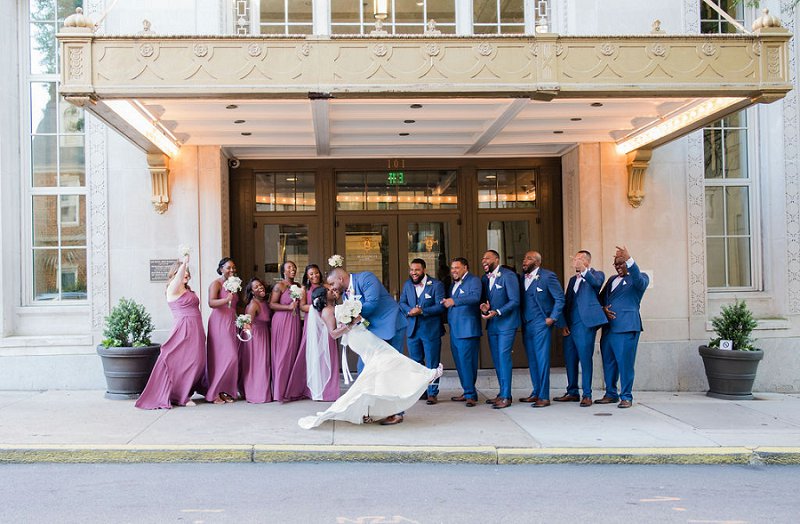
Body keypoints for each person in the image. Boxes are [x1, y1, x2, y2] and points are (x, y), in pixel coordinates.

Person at [298, 286, 443, 429]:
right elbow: (334, 333)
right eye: (328, 291)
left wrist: (359, 320)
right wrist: (352, 322)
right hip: (358, 340)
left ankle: (369, 410)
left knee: (381, 366)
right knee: (390, 358)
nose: (332, 291)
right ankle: (426, 375)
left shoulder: (336, 306)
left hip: (364, 335)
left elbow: (357, 323)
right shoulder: (327, 311)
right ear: (323, 297)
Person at [327, 266, 408, 424]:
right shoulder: (345, 294)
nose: (331, 288)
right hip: (373, 332)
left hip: (391, 325)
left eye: (332, 283)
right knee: (364, 368)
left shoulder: (366, 278)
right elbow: (355, 314)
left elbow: (373, 303)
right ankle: (368, 409)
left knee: (391, 369)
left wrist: (350, 319)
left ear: (340, 279)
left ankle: (397, 413)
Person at [135, 254, 206, 409]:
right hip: (184, 328)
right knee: (183, 361)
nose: (186, 274)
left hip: (196, 328)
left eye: (188, 272)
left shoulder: (187, 289)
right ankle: (181, 396)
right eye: (183, 272)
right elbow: (178, 278)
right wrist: (185, 262)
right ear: (176, 273)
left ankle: (185, 392)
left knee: (197, 361)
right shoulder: (172, 289)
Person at [597, 246, 649, 408]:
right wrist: (603, 309)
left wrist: (629, 259)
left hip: (627, 327)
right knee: (608, 362)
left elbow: (640, 281)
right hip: (609, 328)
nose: (618, 267)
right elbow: (600, 298)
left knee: (625, 363)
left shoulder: (639, 278)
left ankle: (626, 396)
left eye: (621, 263)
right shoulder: (612, 279)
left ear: (627, 263)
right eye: (615, 264)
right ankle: (611, 393)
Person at [554, 250, 606, 407]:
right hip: (570, 325)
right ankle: (572, 391)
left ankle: (587, 394)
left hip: (585, 325)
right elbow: (567, 302)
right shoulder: (571, 280)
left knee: (585, 359)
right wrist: (563, 324)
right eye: (574, 259)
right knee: (570, 360)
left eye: (578, 259)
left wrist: (584, 270)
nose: (575, 261)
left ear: (586, 261)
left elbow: (597, 285)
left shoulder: (597, 274)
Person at [519, 251, 564, 408]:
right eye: (525, 258)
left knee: (542, 360)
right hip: (526, 323)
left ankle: (544, 396)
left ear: (537, 262)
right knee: (532, 360)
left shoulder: (548, 276)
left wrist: (552, 318)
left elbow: (559, 298)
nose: (525, 261)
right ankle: (536, 392)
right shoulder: (521, 278)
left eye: (529, 258)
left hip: (541, 323)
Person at [287, 264, 340, 401]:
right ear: (307, 276)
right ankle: (309, 389)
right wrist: (317, 305)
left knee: (327, 352)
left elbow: (335, 298)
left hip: (326, 322)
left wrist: (332, 296)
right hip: (311, 325)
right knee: (311, 354)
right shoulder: (305, 289)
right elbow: (302, 306)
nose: (314, 276)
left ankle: (328, 390)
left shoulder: (327, 286)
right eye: (311, 274)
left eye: (316, 273)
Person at [399, 258, 445, 404]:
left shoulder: (436, 285)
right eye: (411, 270)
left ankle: (432, 393)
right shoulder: (407, 285)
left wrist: (422, 311)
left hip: (430, 330)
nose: (414, 273)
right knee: (416, 363)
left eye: (417, 270)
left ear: (424, 270)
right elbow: (402, 302)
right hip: (412, 330)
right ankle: (422, 391)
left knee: (432, 362)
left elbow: (441, 306)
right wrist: (409, 311)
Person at [480, 250, 521, 409]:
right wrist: (485, 309)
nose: (484, 261)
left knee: (504, 357)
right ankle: (501, 392)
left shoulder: (508, 276)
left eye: (487, 258)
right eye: (483, 259)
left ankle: (506, 396)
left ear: (497, 259)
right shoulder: (485, 278)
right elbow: (487, 302)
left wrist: (498, 312)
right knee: (497, 360)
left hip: (507, 323)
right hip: (492, 325)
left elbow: (515, 301)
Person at [441, 257, 482, 407]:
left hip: (468, 330)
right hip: (456, 330)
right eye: (452, 268)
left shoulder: (474, 280)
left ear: (465, 267)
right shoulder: (454, 284)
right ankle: (467, 391)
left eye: (457, 268)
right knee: (460, 363)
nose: (454, 271)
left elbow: (475, 297)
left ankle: (471, 394)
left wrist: (454, 301)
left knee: (467, 363)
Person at [205, 257, 240, 405]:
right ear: (221, 269)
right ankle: (213, 393)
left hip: (231, 321)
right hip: (219, 322)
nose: (231, 270)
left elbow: (235, 305)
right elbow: (211, 302)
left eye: (233, 268)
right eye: (228, 268)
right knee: (228, 357)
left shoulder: (234, 284)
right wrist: (226, 299)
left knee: (229, 358)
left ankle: (224, 391)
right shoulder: (216, 284)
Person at [270, 260, 304, 402]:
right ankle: (279, 392)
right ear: (283, 271)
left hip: (294, 321)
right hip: (282, 320)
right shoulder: (280, 286)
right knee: (283, 355)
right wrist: (288, 308)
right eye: (289, 267)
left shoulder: (297, 286)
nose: (293, 269)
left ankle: (291, 390)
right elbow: (272, 304)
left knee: (293, 354)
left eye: (294, 267)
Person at [240, 277, 272, 403]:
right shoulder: (253, 305)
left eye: (261, 285)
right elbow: (246, 324)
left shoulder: (264, 302)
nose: (260, 288)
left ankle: (263, 393)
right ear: (252, 292)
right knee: (259, 364)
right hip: (257, 336)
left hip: (265, 333)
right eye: (256, 287)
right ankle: (256, 395)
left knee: (265, 364)